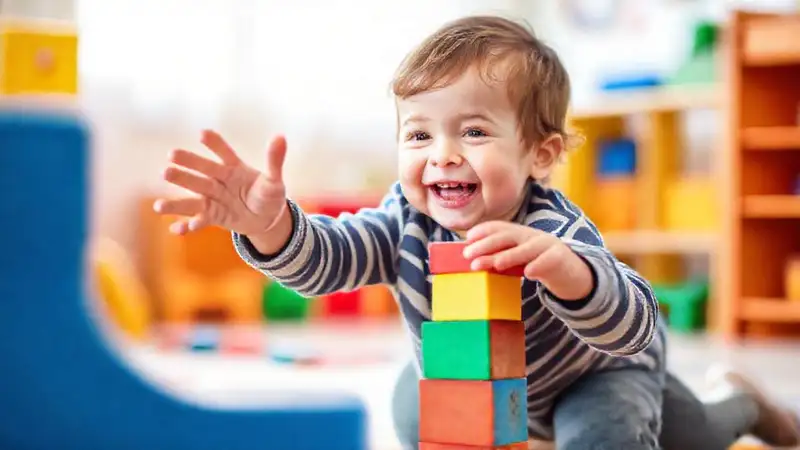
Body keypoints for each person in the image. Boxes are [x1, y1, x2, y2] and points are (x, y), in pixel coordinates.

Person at [153, 14, 800, 450]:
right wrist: (272, 227)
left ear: (540, 155)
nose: (443, 154)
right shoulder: (404, 222)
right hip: (473, 376)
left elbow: (633, 320)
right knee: (414, 413)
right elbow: (330, 261)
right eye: (419, 134)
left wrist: (566, 269)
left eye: (475, 131)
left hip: (594, 374)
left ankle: (741, 403)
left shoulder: (553, 225)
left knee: (640, 436)